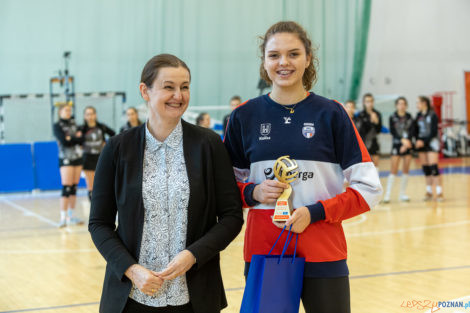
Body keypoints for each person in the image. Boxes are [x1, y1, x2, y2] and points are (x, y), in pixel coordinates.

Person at [224, 21, 382, 313]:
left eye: (293, 54)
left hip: (324, 251)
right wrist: (253, 193)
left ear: (308, 58)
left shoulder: (332, 114)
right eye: (274, 55)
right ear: (264, 61)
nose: (283, 62)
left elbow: (369, 188)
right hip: (266, 251)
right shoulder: (244, 116)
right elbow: (223, 189)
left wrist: (316, 212)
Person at [89, 53, 243, 313]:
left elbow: (231, 217)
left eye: (184, 87)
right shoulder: (117, 148)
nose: (178, 95)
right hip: (131, 297)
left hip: (195, 297)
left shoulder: (209, 145)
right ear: (145, 91)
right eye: (168, 87)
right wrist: (131, 269)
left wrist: (194, 255)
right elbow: (99, 224)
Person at [53, 104, 84, 227]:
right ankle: (62, 217)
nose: (68, 112)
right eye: (66, 110)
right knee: (66, 187)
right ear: (60, 112)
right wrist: (73, 138)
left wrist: (71, 138)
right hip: (65, 157)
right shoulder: (57, 125)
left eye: (69, 110)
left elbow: (81, 140)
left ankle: (71, 216)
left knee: (74, 187)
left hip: (77, 157)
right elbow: (64, 142)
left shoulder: (75, 124)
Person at [80, 106, 116, 201]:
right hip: (87, 158)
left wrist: (106, 145)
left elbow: (114, 134)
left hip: (100, 158)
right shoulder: (82, 129)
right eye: (88, 114)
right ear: (85, 116)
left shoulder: (101, 127)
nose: (90, 116)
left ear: (95, 115)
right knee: (91, 186)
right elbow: (76, 141)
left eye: (92, 114)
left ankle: (102, 210)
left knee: (102, 185)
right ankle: (93, 211)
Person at [383, 97, 414, 203]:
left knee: (406, 169)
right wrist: (402, 141)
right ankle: (387, 195)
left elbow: (412, 131)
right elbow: (393, 131)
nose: (402, 106)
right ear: (396, 105)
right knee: (393, 169)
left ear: (406, 105)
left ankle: (402, 194)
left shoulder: (409, 117)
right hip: (397, 144)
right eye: (400, 104)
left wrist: (406, 143)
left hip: (408, 145)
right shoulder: (393, 117)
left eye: (404, 104)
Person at [414, 96, 443, 201]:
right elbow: (415, 130)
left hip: (431, 142)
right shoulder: (418, 115)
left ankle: (439, 192)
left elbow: (434, 131)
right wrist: (417, 140)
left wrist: (423, 141)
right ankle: (429, 192)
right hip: (421, 143)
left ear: (424, 103)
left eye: (418, 102)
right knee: (426, 169)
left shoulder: (433, 115)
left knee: (433, 167)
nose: (417, 105)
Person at [356, 93, 382, 168]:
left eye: (371, 101)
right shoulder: (361, 115)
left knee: (375, 165)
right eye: (367, 101)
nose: (369, 103)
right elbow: (361, 131)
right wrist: (370, 121)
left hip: (374, 143)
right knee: (363, 166)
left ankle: (376, 179)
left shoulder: (377, 114)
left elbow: (378, 130)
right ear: (364, 103)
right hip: (363, 144)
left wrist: (376, 122)